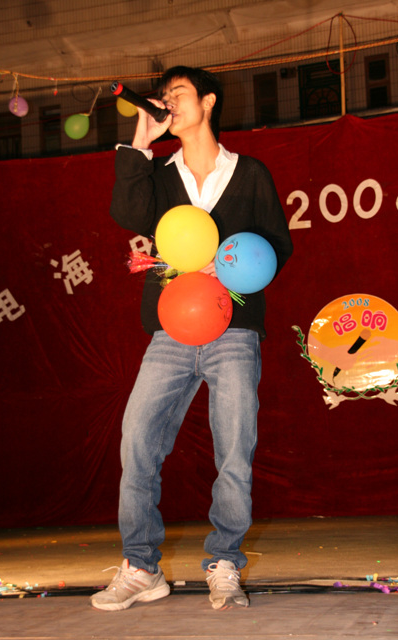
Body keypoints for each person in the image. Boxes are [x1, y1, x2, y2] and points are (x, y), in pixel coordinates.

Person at [91, 66, 293, 612]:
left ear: (208, 101)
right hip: (172, 329)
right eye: (162, 98)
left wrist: (225, 265)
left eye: (177, 94)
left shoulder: (249, 172)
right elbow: (126, 213)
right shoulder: (158, 175)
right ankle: (141, 567)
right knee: (137, 439)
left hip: (234, 328)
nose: (167, 103)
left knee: (234, 447)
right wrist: (141, 141)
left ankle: (224, 562)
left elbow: (277, 244)